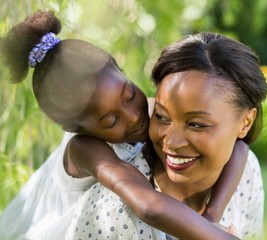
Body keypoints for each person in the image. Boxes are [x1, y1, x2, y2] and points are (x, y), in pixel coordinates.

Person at [0, 11, 247, 240]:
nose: (133, 116)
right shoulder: (82, 149)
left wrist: (211, 217)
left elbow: (240, 147)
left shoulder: (152, 112)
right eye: (112, 120)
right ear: (76, 128)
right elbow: (147, 204)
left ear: (123, 73)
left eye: (129, 95)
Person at [66, 32, 267, 240]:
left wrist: (210, 218)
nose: (171, 142)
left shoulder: (247, 172)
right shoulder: (113, 214)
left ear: (246, 122)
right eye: (162, 117)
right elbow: (148, 206)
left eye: (196, 124)